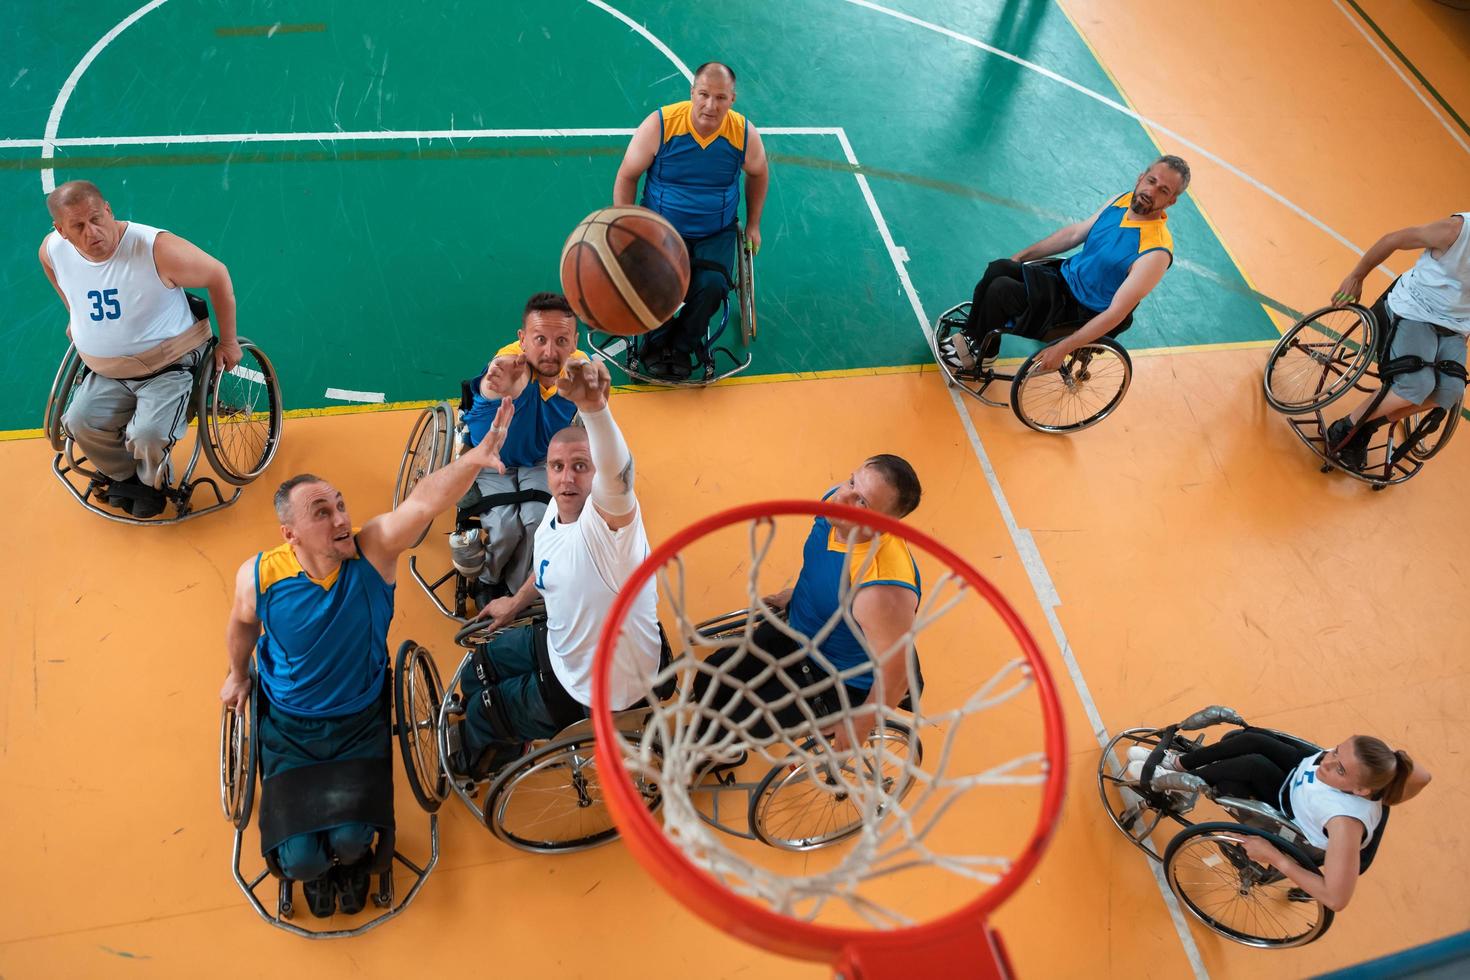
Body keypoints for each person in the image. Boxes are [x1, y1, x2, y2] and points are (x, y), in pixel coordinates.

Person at [218, 398, 514, 917]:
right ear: (291, 534)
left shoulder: (372, 550)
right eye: (323, 512)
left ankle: (350, 863)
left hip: (359, 719)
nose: (341, 518)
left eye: (340, 505)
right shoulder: (261, 576)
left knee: (355, 843)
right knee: (304, 859)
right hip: (290, 726)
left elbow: (422, 504)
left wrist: (472, 459)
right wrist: (236, 675)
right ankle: (318, 867)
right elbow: (243, 624)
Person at [452, 359, 663, 778]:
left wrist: (594, 409)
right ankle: (505, 734)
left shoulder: (610, 532)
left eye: (581, 466)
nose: (567, 479)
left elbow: (620, 475)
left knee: (481, 715)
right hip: (563, 647)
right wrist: (514, 602)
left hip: (595, 688)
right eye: (557, 467)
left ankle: (484, 760)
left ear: (596, 472)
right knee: (480, 667)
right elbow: (547, 566)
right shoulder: (555, 510)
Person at [692, 455, 924, 756]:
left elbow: (897, 677)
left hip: (834, 677)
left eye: (862, 502)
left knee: (735, 720)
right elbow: (824, 562)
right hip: (802, 628)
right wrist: (803, 592)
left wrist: (860, 724)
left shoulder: (880, 590)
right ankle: (709, 742)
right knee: (711, 677)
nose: (844, 496)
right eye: (851, 481)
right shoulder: (834, 506)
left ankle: (714, 755)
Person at [38, 179, 242, 518]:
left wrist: (230, 341)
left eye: (96, 219)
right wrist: (75, 313)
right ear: (61, 231)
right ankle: (126, 478)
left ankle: (152, 485)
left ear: (108, 211)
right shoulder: (53, 249)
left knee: (147, 435)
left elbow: (217, 274)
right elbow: (50, 267)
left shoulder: (155, 248)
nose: (92, 232)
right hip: (107, 370)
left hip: (168, 365)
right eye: (78, 226)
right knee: (79, 421)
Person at [1126, 731, 1431, 911]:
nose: (1327, 762)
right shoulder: (1361, 769)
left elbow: (1336, 898)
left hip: (1292, 811)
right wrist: (1393, 762)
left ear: (1361, 790)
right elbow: (1423, 776)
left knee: (1250, 764)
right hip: (1299, 780)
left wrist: (1274, 857)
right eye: (1336, 751)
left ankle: (1172, 780)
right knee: (1248, 738)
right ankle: (1177, 762)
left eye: (1340, 769)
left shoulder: (1344, 824)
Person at [941, 156, 1188, 377]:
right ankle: (975, 337)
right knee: (999, 268)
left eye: (1163, 190)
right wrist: (1020, 257)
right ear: (1141, 177)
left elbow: (1116, 314)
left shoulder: (1156, 252)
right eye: (1151, 180)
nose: (1151, 191)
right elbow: (1074, 235)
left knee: (1001, 290)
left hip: (1080, 309)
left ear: (1171, 201)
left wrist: (1063, 347)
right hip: (1063, 279)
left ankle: (980, 356)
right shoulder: (1121, 200)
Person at [612, 61, 769, 379]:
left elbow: (758, 173)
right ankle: (655, 344)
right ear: (692, 93)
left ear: (732, 99)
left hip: (717, 231)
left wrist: (753, 224)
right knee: (658, 279)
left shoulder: (743, 134)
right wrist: (626, 223)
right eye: (704, 94)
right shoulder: (662, 125)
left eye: (721, 97)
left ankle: (683, 345)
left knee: (712, 285)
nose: (711, 105)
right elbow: (628, 175)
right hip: (662, 228)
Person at [452, 292, 588, 601]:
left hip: (538, 460)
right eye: (540, 339)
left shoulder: (579, 368)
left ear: (575, 341)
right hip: (493, 460)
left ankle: (515, 589)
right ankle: (488, 579)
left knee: (536, 521)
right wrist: (494, 387)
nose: (550, 352)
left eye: (562, 341)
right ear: (522, 339)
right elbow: (498, 383)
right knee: (504, 527)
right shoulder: (509, 364)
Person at [1325, 212, 1468, 471]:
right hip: (1413, 309)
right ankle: (1344, 428)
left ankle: (1367, 425)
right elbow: (1394, 239)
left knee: (1451, 391)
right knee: (1416, 385)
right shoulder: (1455, 230)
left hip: (1454, 328)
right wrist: (1357, 276)